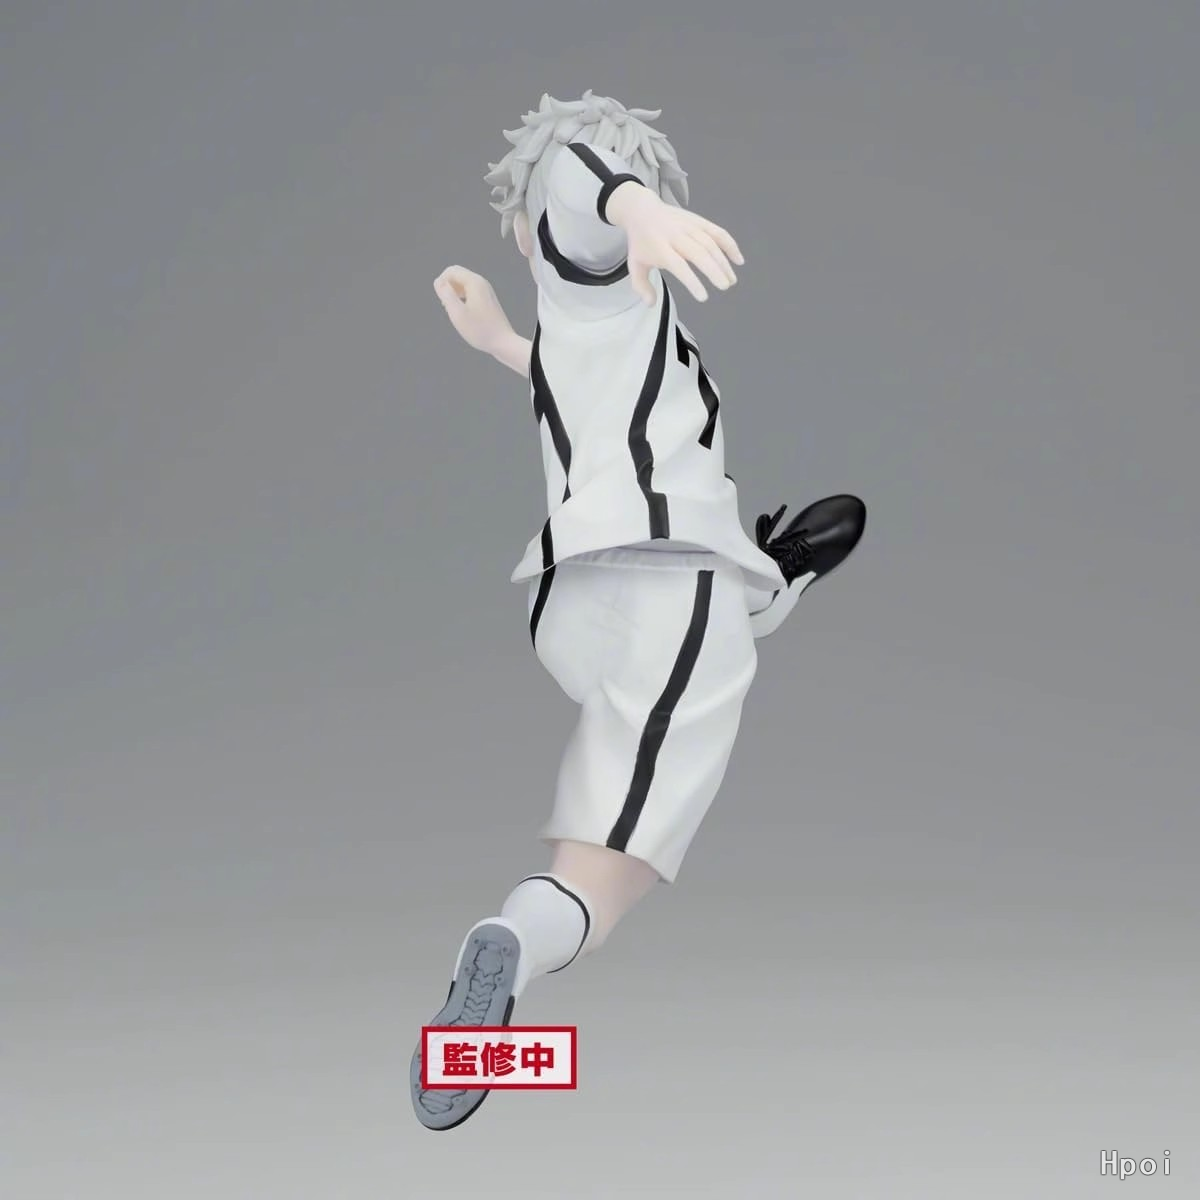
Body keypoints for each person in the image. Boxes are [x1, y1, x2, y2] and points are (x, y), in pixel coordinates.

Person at [412, 91, 866, 1131]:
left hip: (596, 601)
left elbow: (570, 379)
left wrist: (498, 342)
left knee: (614, 855)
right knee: (608, 873)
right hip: (664, 577)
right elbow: (574, 168)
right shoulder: (607, 264)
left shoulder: (586, 328)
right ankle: (508, 954)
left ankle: (493, 1018)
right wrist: (636, 205)